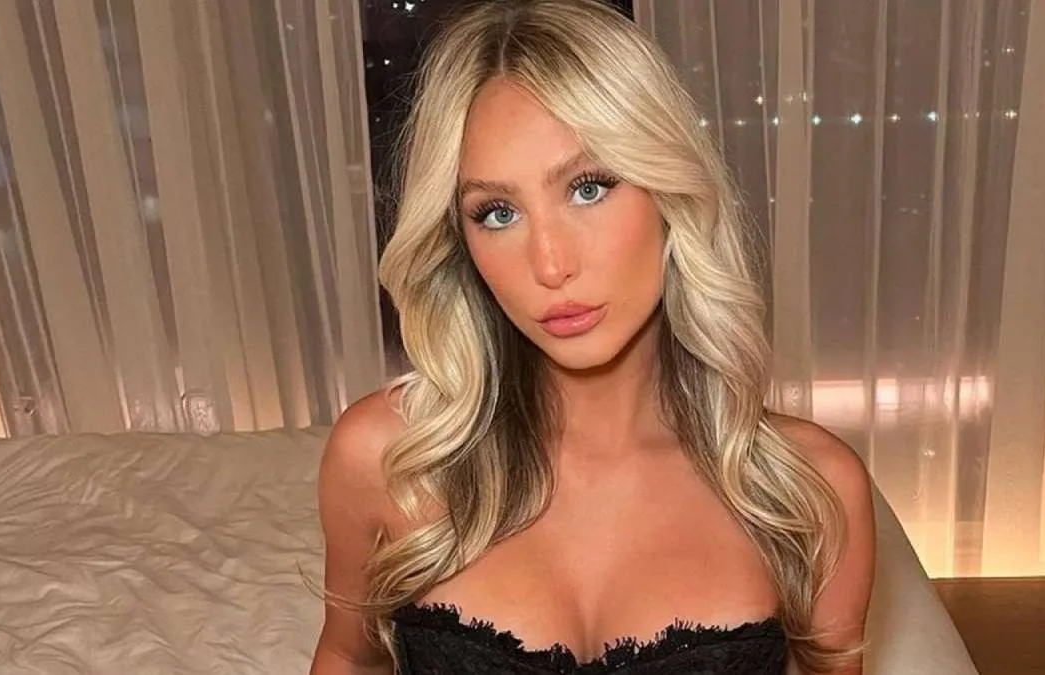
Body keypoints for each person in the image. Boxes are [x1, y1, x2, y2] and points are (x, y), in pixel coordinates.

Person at [310, 1, 875, 673]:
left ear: (668, 190)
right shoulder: (386, 460)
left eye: (589, 188)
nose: (550, 264)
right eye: (498, 212)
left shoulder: (810, 491)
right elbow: (350, 656)